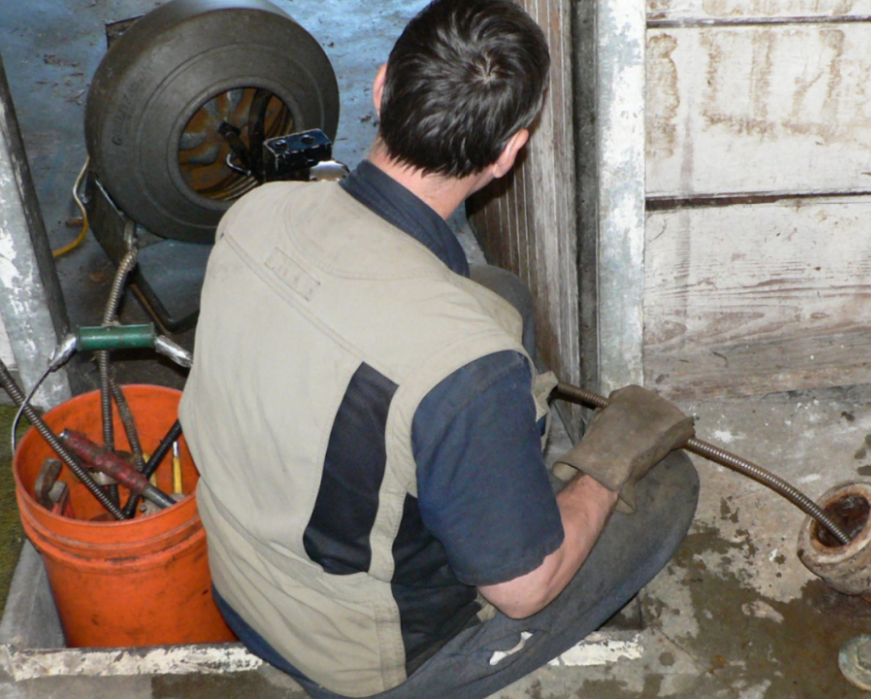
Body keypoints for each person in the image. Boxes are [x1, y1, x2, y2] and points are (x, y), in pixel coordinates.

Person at [179, 0, 699, 697]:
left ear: (380, 88)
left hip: (238, 579)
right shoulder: (466, 369)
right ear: (509, 152)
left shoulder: (255, 212)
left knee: (499, 292)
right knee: (667, 486)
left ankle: (490, 478)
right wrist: (603, 473)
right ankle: (499, 519)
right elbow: (523, 591)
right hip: (359, 660)